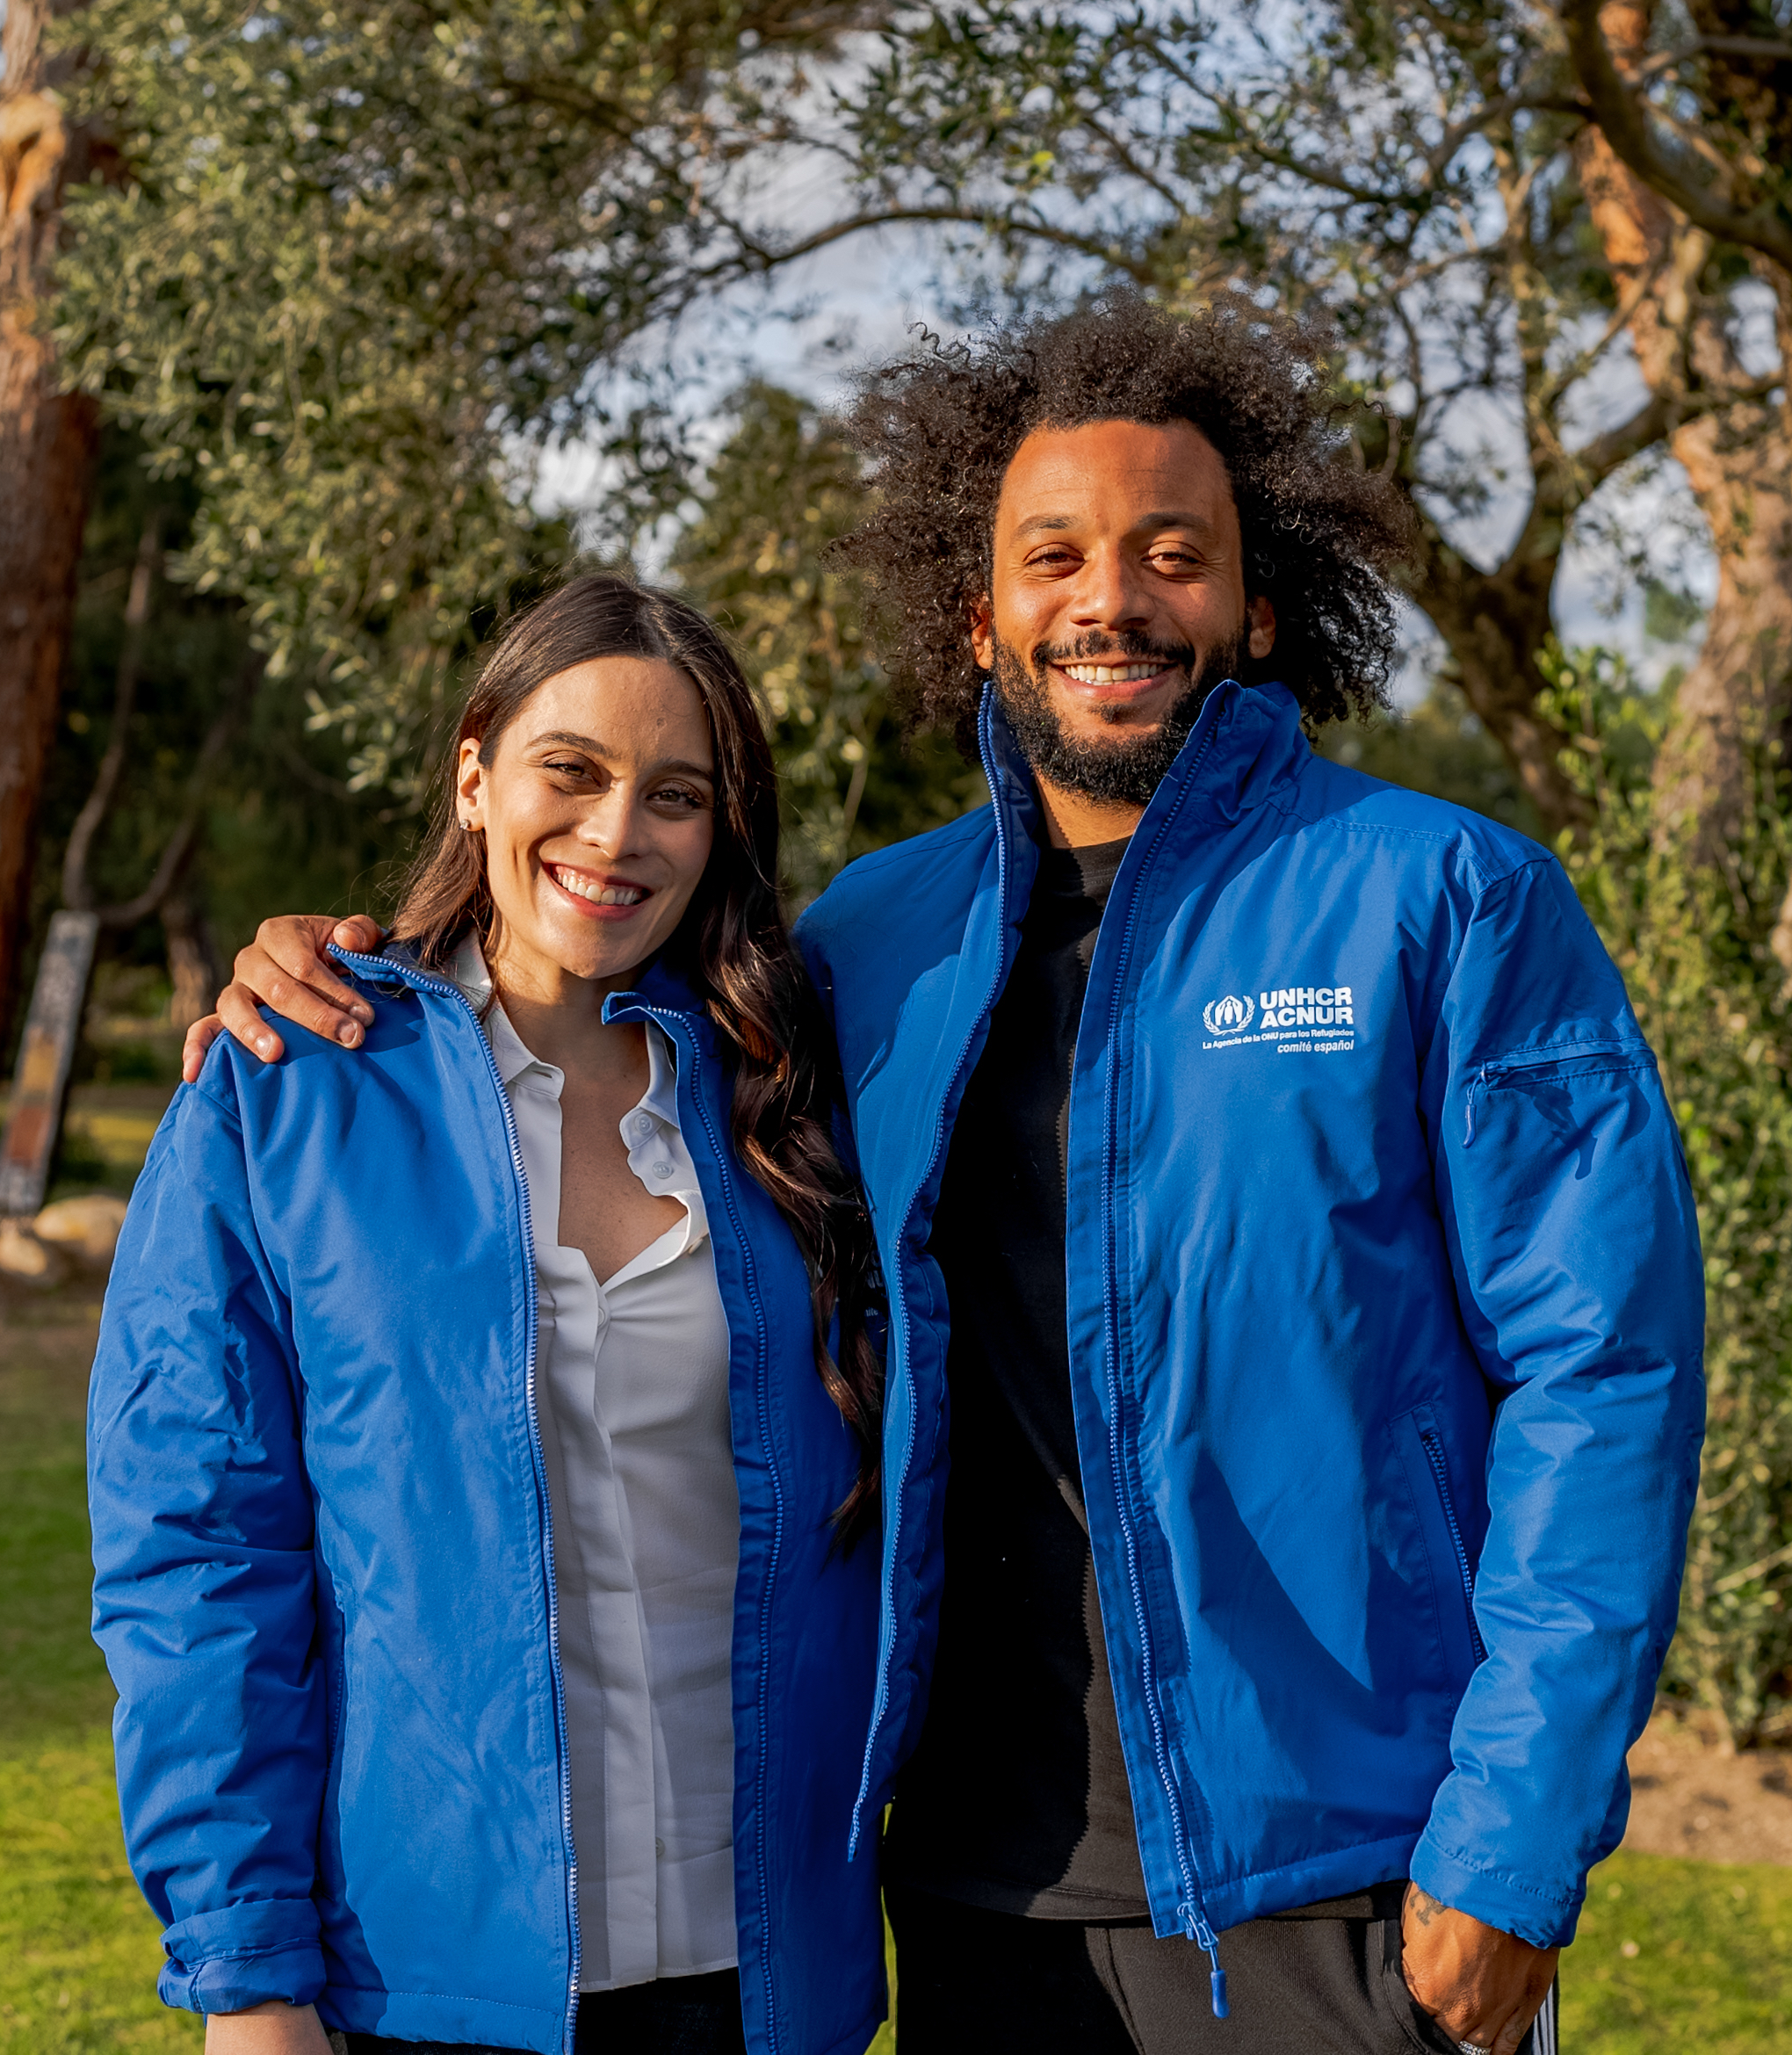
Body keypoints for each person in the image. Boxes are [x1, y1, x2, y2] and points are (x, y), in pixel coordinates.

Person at [192, 297, 1706, 2055]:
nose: (1111, 600)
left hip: (1344, 1895)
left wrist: (1513, 1850)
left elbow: (1609, 1374)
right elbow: (572, 971)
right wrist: (332, 972)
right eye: (1052, 555)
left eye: (1173, 554)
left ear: (1261, 604)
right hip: (973, 1904)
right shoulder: (868, 945)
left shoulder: (1444, 900)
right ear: (977, 616)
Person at [91, 578, 888, 2055]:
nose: (614, 834)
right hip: (421, 1986)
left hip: (767, 1979)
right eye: (568, 772)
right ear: (476, 773)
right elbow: (197, 1558)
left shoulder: (802, 1102)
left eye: (676, 794)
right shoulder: (284, 1092)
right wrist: (248, 1980)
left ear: (719, 831)